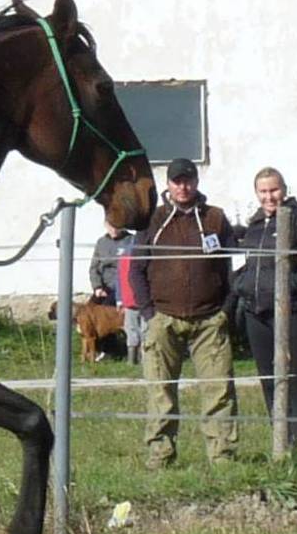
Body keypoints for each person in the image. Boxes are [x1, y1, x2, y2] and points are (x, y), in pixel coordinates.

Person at [128, 157, 239, 468]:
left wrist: (226, 310)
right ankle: (160, 454)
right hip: (163, 319)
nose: (183, 187)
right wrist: (149, 313)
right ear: (168, 184)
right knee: (160, 391)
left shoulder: (215, 218)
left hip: (210, 320)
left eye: (188, 180)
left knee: (219, 389)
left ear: (196, 182)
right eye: (177, 181)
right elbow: (136, 270)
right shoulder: (152, 219)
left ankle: (222, 455)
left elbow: (235, 264)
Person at [232, 167, 297, 455]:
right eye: (263, 191)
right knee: (268, 381)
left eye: (274, 190)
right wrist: (241, 285)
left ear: (284, 189)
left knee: (292, 379)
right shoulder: (254, 226)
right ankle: (282, 445)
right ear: (256, 193)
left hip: (292, 312)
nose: (269, 197)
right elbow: (244, 263)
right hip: (256, 313)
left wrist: (289, 285)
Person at [114, 232, 143, 364]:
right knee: (145, 329)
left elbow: (118, 280)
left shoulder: (123, 257)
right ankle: (144, 358)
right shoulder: (144, 256)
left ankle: (132, 360)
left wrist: (119, 300)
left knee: (131, 329)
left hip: (129, 299)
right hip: (143, 299)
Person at [89, 221, 132, 305]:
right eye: (111, 226)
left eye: (117, 226)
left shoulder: (130, 241)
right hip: (102, 287)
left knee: (106, 308)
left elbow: (126, 270)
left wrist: (109, 288)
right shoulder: (101, 242)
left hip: (120, 287)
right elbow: (94, 268)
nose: (114, 230)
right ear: (105, 225)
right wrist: (97, 287)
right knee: (88, 309)